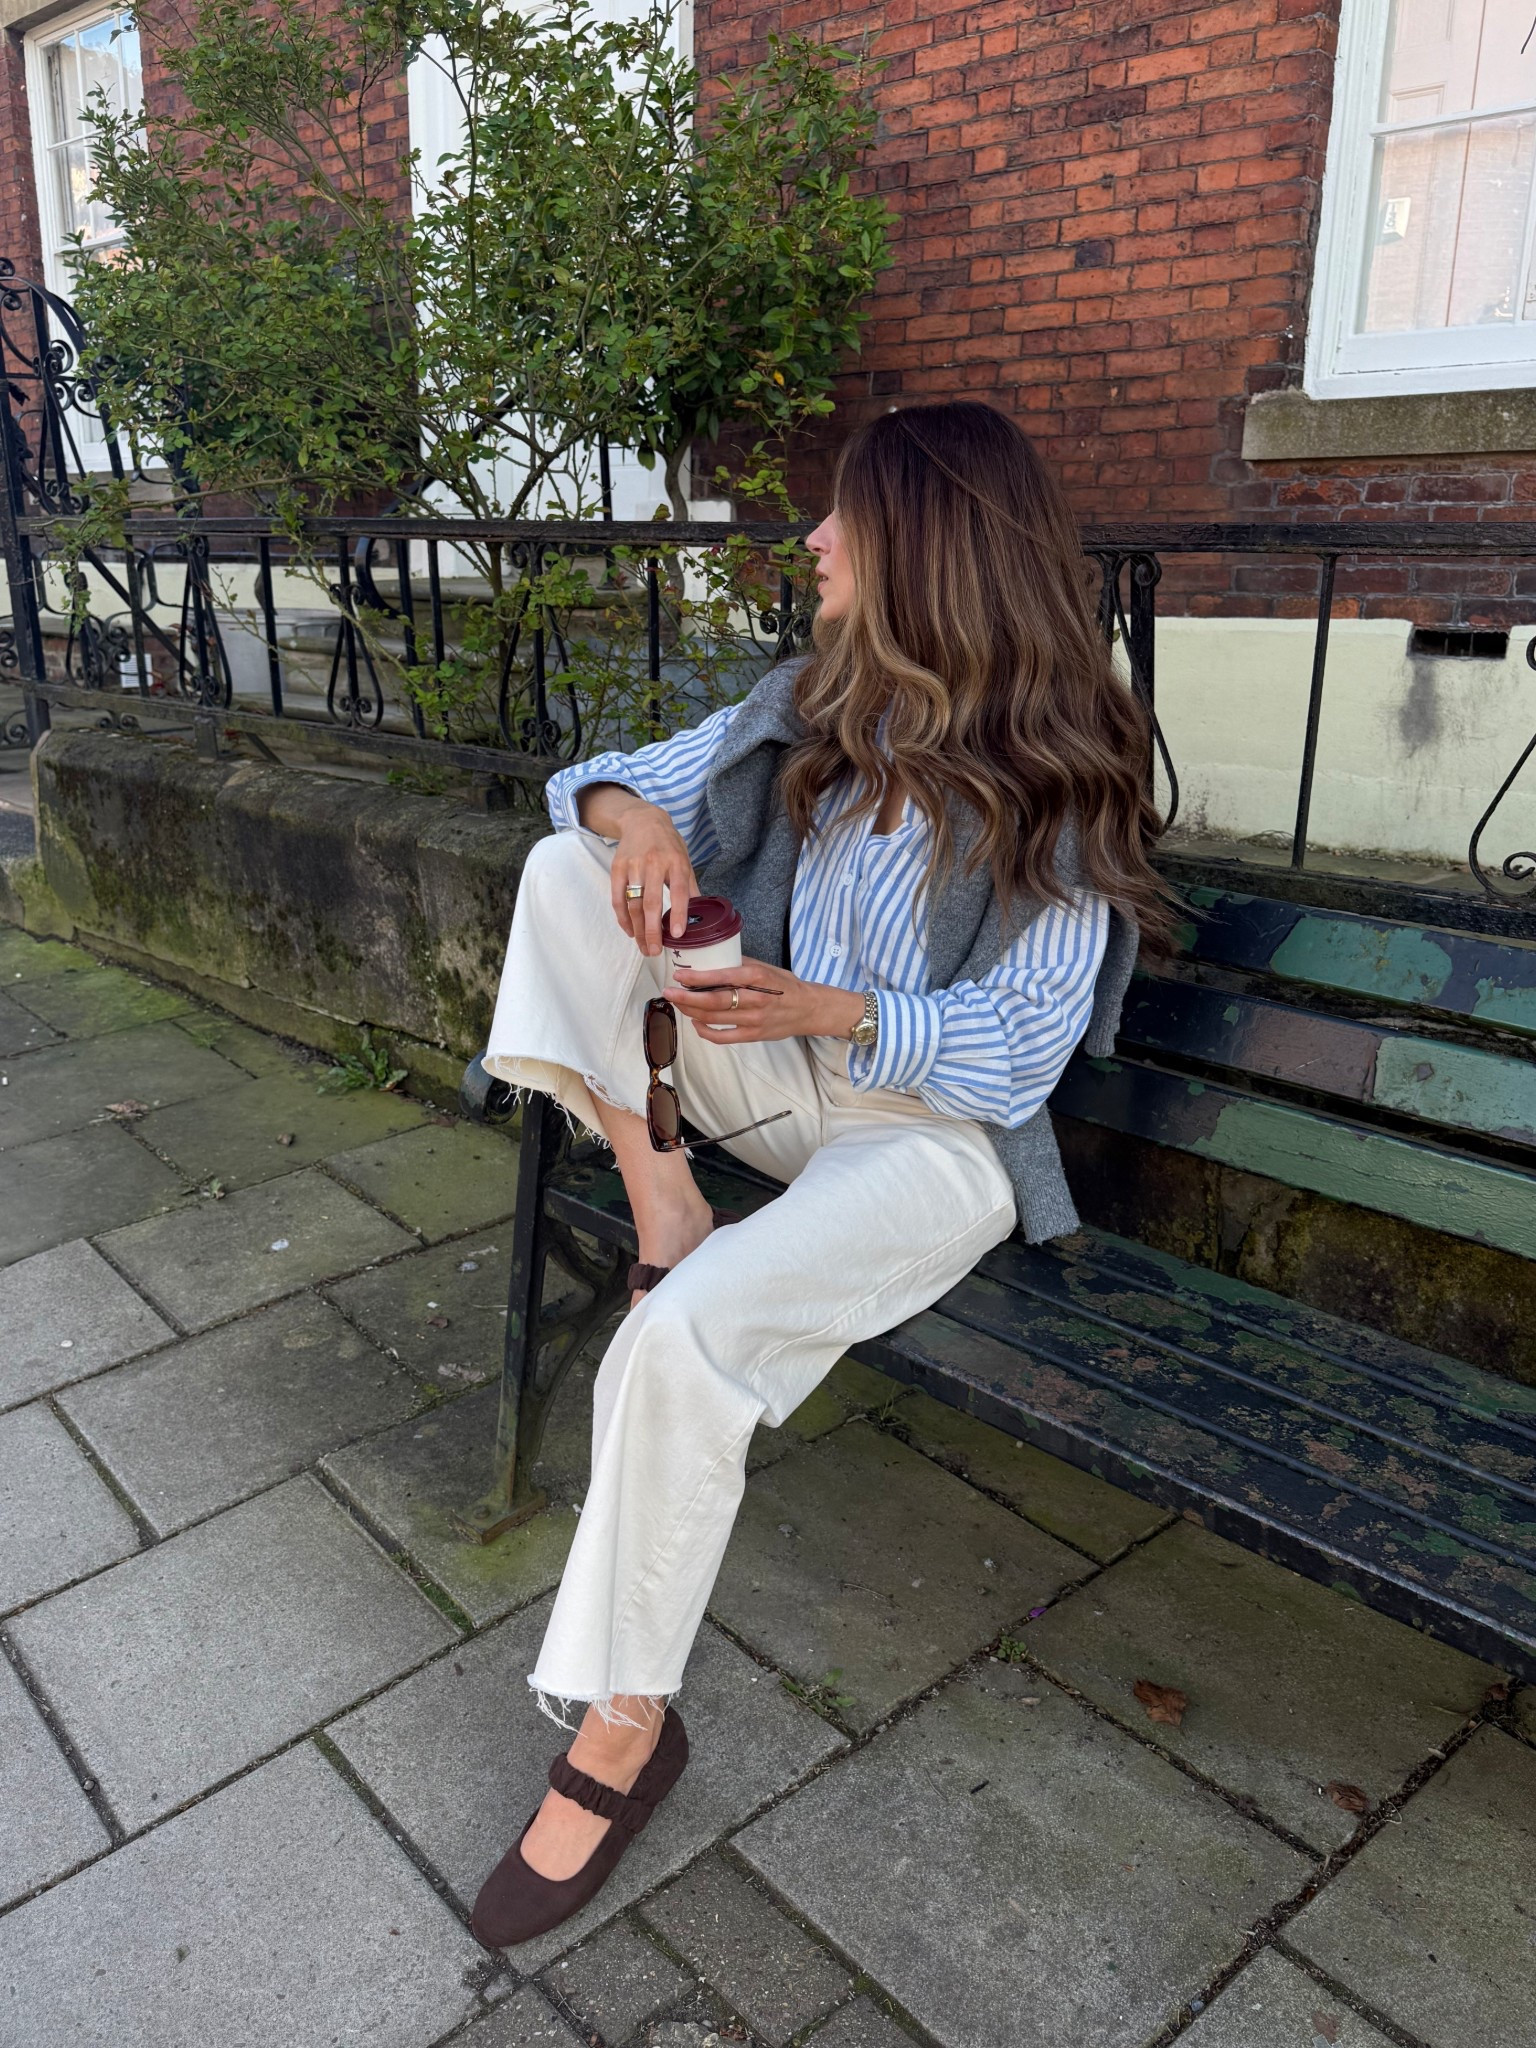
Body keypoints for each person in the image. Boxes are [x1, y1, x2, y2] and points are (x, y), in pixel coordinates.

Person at [470, 400, 1171, 1946]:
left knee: (682, 1337)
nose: (815, 543)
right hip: (777, 1079)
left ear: (928, 544)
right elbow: (581, 786)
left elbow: (1014, 1059)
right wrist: (638, 824)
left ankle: (622, 1725)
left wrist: (837, 1008)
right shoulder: (814, 702)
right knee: (559, 872)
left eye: (843, 518)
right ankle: (664, 1192)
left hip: (935, 1140)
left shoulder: (1064, 771)